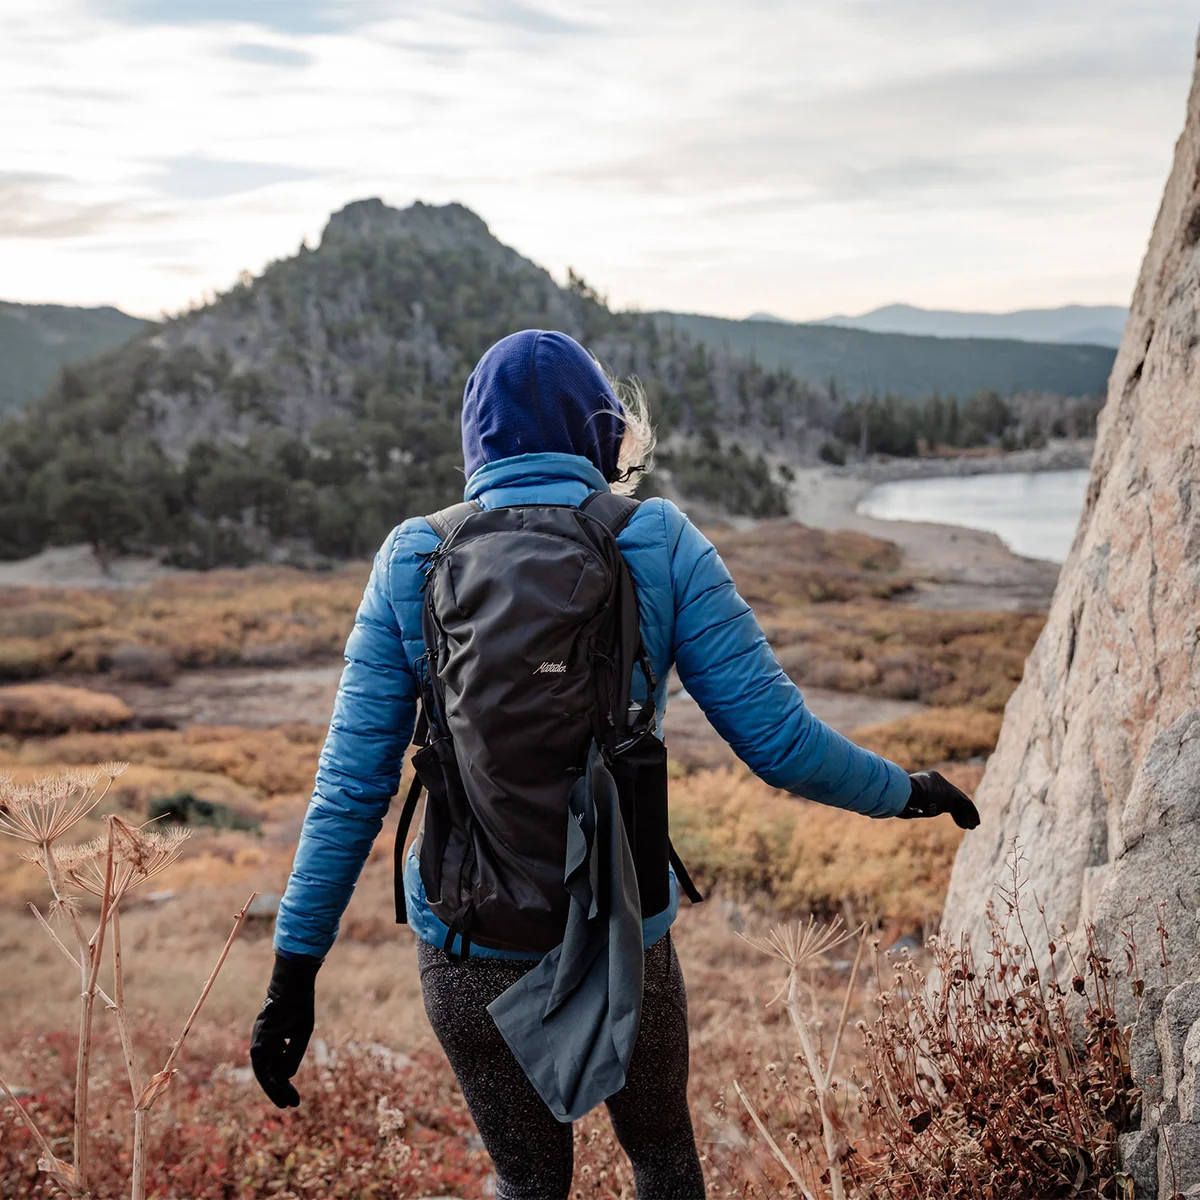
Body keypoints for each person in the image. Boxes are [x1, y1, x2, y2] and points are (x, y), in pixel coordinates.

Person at [251, 329, 980, 1200]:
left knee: (530, 1186)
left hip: (468, 940)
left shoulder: (413, 556)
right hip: (623, 931)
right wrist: (906, 792)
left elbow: (349, 789)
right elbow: (781, 745)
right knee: (664, 1160)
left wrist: (294, 973)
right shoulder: (658, 539)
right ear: (601, 430)